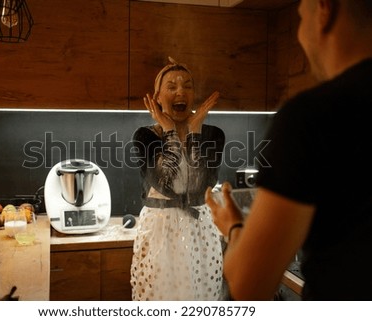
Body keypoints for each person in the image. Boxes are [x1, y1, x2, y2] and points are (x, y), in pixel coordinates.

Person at [205, 0, 372, 300]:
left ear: (324, 9)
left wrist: (233, 226)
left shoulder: (314, 117)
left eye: (300, 16)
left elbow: (248, 285)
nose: (299, 33)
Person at [130, 57, 226, 300]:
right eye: (171, 86)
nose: (180, 91)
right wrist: (170, 130)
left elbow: (198, 187)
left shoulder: (213, 134)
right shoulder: (145, 137)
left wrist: (194, 132)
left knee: (200, 297)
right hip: (158, 231)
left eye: (187, 85)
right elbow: (166, 182)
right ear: (157, 97)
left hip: (200, 230)